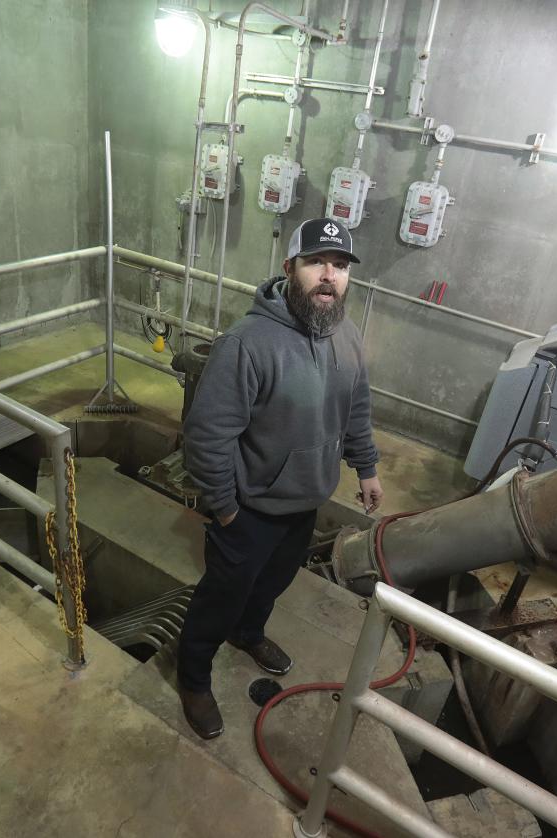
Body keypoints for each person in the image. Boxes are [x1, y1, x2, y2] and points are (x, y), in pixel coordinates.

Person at [176, 217, 383, 739]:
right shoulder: (248, 343)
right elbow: (207, 435)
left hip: (305, 502)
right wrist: (224, 507)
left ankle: (249, 633)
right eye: (317, 263)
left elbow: (355, 407)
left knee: (272, 584)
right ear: (290, 268)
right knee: (220, 596)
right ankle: (193, 678)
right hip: (248, 509)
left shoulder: (348, 337)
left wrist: (367, 467)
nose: (329, 276)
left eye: (339, 266)